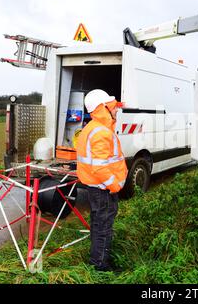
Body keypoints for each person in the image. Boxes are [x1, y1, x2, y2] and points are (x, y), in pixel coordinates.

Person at [76, 89, 128, 272]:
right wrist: (115, 185)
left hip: (97, 187)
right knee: (103, 226)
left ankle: (98, 259)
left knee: (99, 223)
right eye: (112, 108)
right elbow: (100, 167)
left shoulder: (94, 128)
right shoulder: (100, 132)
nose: (115, 111)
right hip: (103, 188)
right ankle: (100, 265)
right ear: (102, 108)